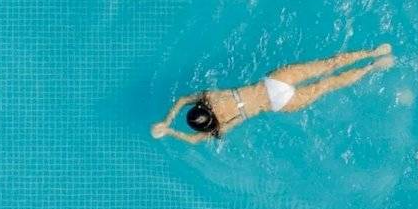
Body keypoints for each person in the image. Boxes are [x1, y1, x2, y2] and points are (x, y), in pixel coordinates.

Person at [151, 44, 394, 143]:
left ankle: (372, 68)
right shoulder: (210, 97)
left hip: (281, 102)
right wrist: (167, 119)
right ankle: (371, 52)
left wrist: (171, 132)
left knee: (327, 85)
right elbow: (182, 99)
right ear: (201, 107)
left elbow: (194, 140)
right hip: (275, 81)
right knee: (327, 65)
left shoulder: (221, 126)